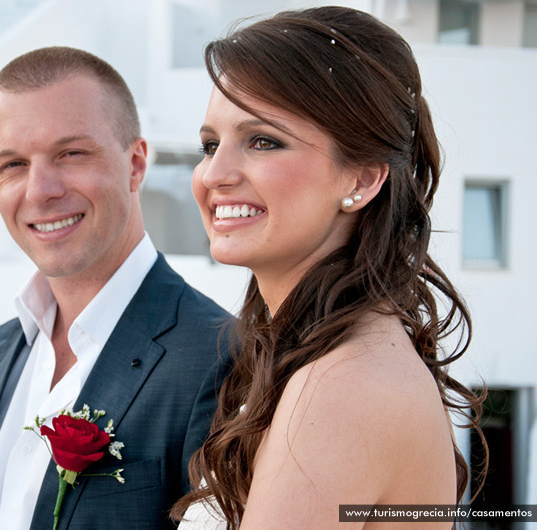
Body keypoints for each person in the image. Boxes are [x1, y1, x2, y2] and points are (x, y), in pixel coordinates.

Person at [172, 7, 485, 529]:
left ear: (361, 179)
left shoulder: (343, 385)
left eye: (263, 141)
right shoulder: (321, 359)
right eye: (210, 145)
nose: (213, 174)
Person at [0, 46, 231, 530]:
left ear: (136, 164)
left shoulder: (218, 357)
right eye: (13, 164)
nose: (40, 190)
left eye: (71, 153)